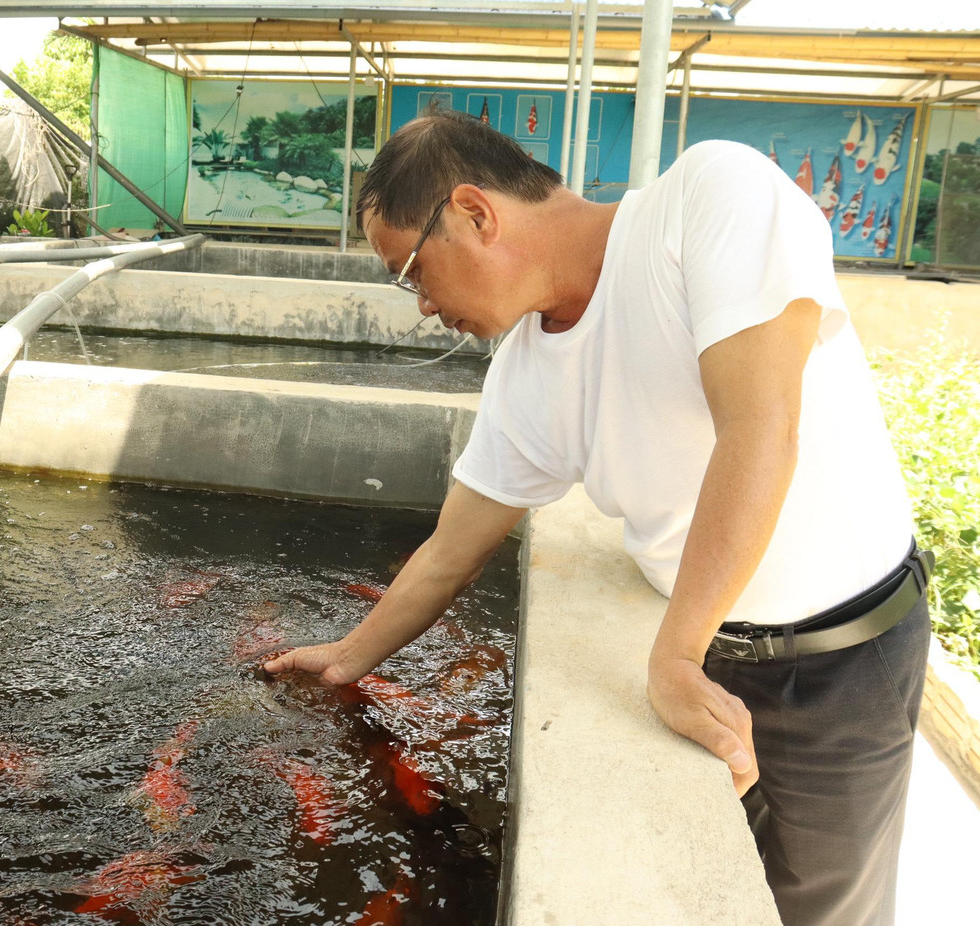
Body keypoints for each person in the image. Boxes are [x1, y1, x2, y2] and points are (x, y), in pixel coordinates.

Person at [264, 109, 931, 926]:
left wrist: (676, 658)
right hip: (703, 647)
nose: (422, 308)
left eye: (410, 271)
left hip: (841, 656)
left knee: (827, 908)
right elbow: (450, 552)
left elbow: (761, 429)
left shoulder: (709, 197)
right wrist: (344, 658)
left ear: (475, 213)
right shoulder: (525, 378)